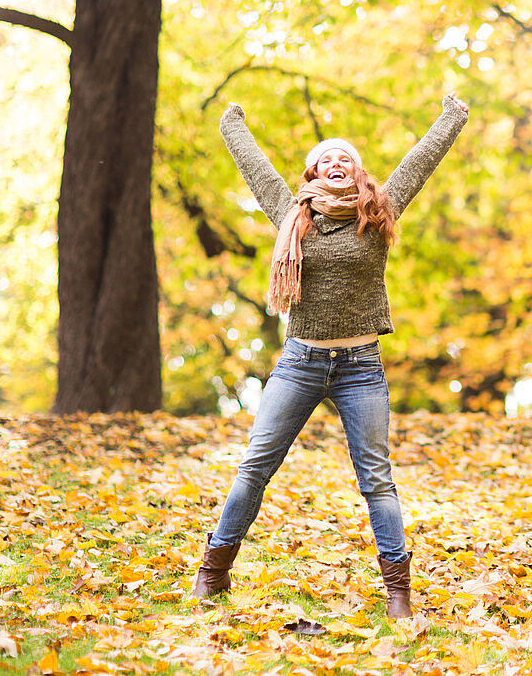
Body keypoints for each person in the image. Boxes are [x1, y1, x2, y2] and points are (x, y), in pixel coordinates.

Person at [192, 93, 469, 618]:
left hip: (361, 368)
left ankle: (398, 592)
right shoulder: (290, 213)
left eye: (346, 157)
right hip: (300, 363)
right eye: (327, 158)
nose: (336, 163)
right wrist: (232, 121)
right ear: (313, 171)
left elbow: (419, 162)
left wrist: (450, 117)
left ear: (358, 171)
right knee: (255, 466)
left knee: (377, 479)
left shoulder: (379, 210)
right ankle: (214, 570)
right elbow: (255, 166)